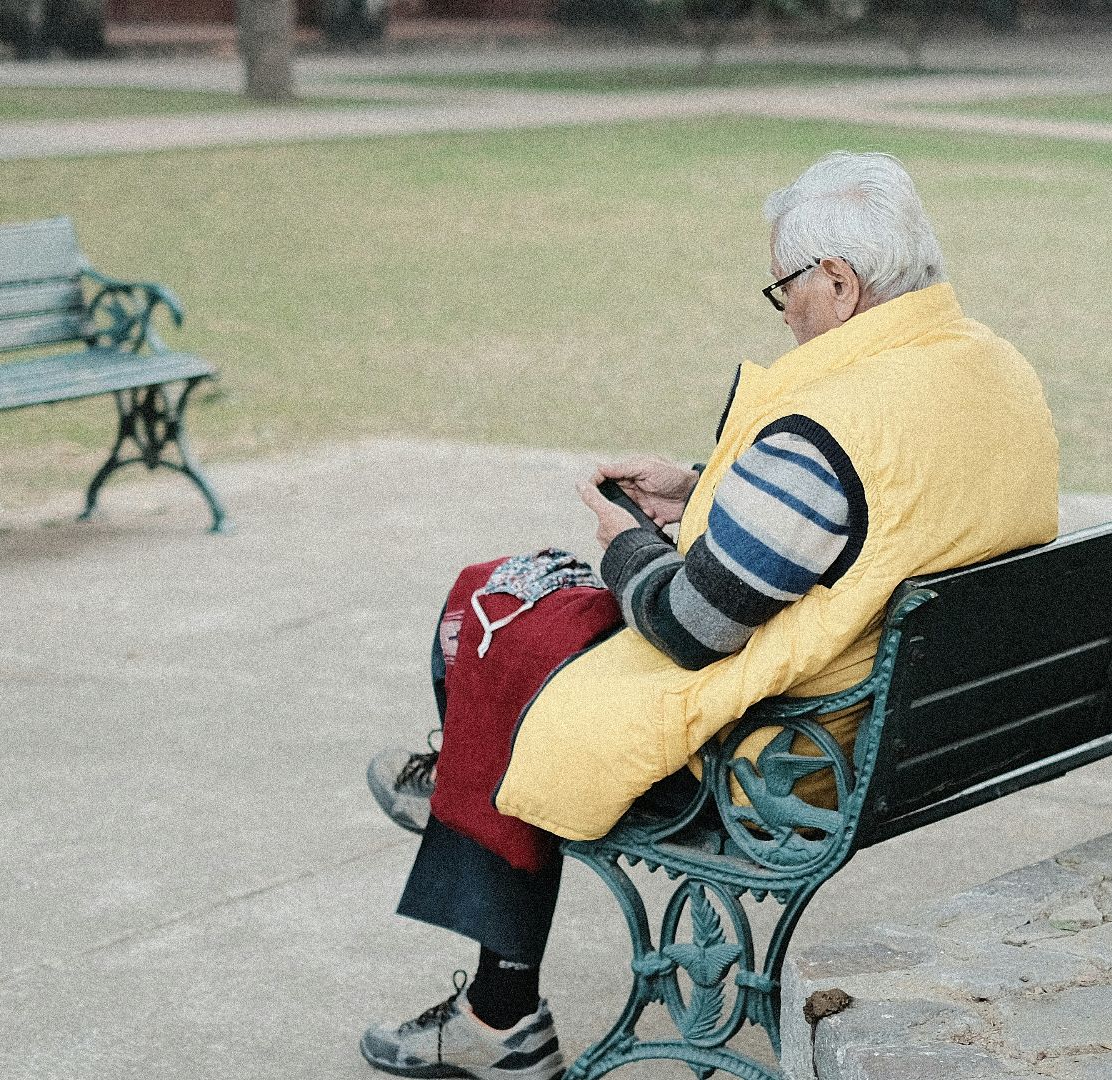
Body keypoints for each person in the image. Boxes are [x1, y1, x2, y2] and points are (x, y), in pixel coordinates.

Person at [358, 151, 1061, 1080]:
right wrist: (704, 492)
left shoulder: (832, 421)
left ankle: (495, 982)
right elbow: (884, 516)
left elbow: (692, 626)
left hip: (789, 758)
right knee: (521, 618)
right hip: (930, 715)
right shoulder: (991, 366)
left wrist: (622, 539)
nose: (786, 315)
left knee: (494, 607)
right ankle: (465, 796)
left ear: (840, 283)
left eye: (786, 292)